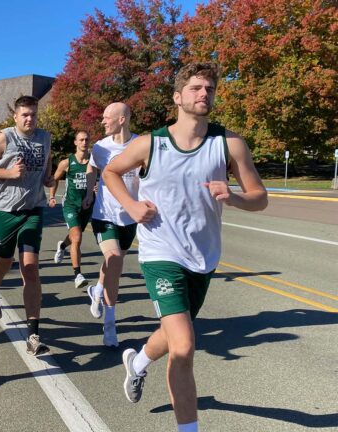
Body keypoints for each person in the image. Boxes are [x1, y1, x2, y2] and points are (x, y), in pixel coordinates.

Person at [104, 63, 267, 432]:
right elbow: (112, 171)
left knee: (176, 333)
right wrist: (131, 207)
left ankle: (138, 362)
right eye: (195, 88)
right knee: (184, 345)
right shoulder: (151, 143)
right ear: (178, 97)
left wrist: (236, 198)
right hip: (161, 254)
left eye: (209, 88)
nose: (203, 93)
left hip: (203, 257)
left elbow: (260, 197)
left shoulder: (229, 144)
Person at [0, 95, 55, 356]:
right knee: (3, 263)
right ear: (16, 116)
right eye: (24, 114)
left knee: (30, 267)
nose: (29, 119)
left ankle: (33, 334)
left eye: (33, 114)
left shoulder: (45, 138)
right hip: (4, 211)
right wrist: (8, 174)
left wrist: (48, 179)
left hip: (33, 210)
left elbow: (47, 166)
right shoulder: (5, 138)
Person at [83, 102, 139, 347]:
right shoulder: (100, 147)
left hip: (130, 217)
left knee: (113, 264)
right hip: (104, 214)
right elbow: (92, 169)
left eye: (107, 117)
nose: (103, 121)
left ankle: (97, 289)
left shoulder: (140, 145)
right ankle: (110, 324)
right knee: (114, 258)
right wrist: (88, 192)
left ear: (122, 119)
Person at [48, 131, 94, 289]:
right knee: (78, 237)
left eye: (87, 139)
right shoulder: (67, 163)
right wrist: (52, 196)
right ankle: (78, 274)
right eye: (81, 139)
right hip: (70, 205)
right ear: (75, 142)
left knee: (74, 236)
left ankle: (61, 246)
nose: (84, 142)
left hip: (87, 205)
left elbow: (104, 179)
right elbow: (54, 179)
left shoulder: (94, 162)